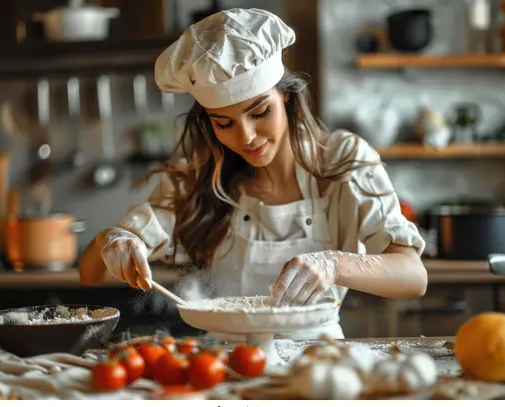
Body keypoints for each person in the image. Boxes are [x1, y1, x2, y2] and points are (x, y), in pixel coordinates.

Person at [79, 8, 428, 340]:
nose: (245, 137)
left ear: (287, 98)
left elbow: (413, 276)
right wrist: (117, 242)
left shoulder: (342, 158)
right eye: (224, 123)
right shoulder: (200, 174)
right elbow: (90, 274)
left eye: (260, 112)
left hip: (319, 359)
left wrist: (334, 264)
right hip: (223, 364)